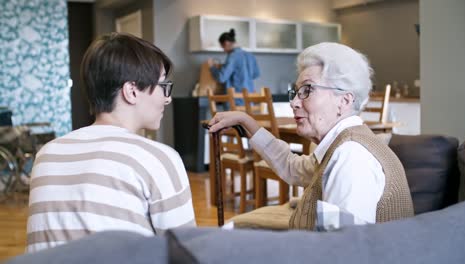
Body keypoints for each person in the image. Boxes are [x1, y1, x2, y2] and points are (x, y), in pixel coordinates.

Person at [209, 42, 414, 231]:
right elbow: (293, 168)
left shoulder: (351, 158)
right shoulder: (342, 144)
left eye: (307, 90)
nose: (294, 102)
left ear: (344, 100)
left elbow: (342, 252)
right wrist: (247, 122)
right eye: (296, 91)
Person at [26, 33, 196, 252]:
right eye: (163, 85)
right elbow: (186, 250)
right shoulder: (158, 158)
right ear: (131, 91)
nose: (167, 97)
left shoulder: (47, 154)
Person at [208, 29, 260, 98]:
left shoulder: (233, 56)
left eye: (223, 47)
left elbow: (222, 77)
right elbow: (256, 74)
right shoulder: (250, 55)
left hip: (236, 99)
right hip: (249, 96)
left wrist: (212, 67)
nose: (224, 50)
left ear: (226, 43)